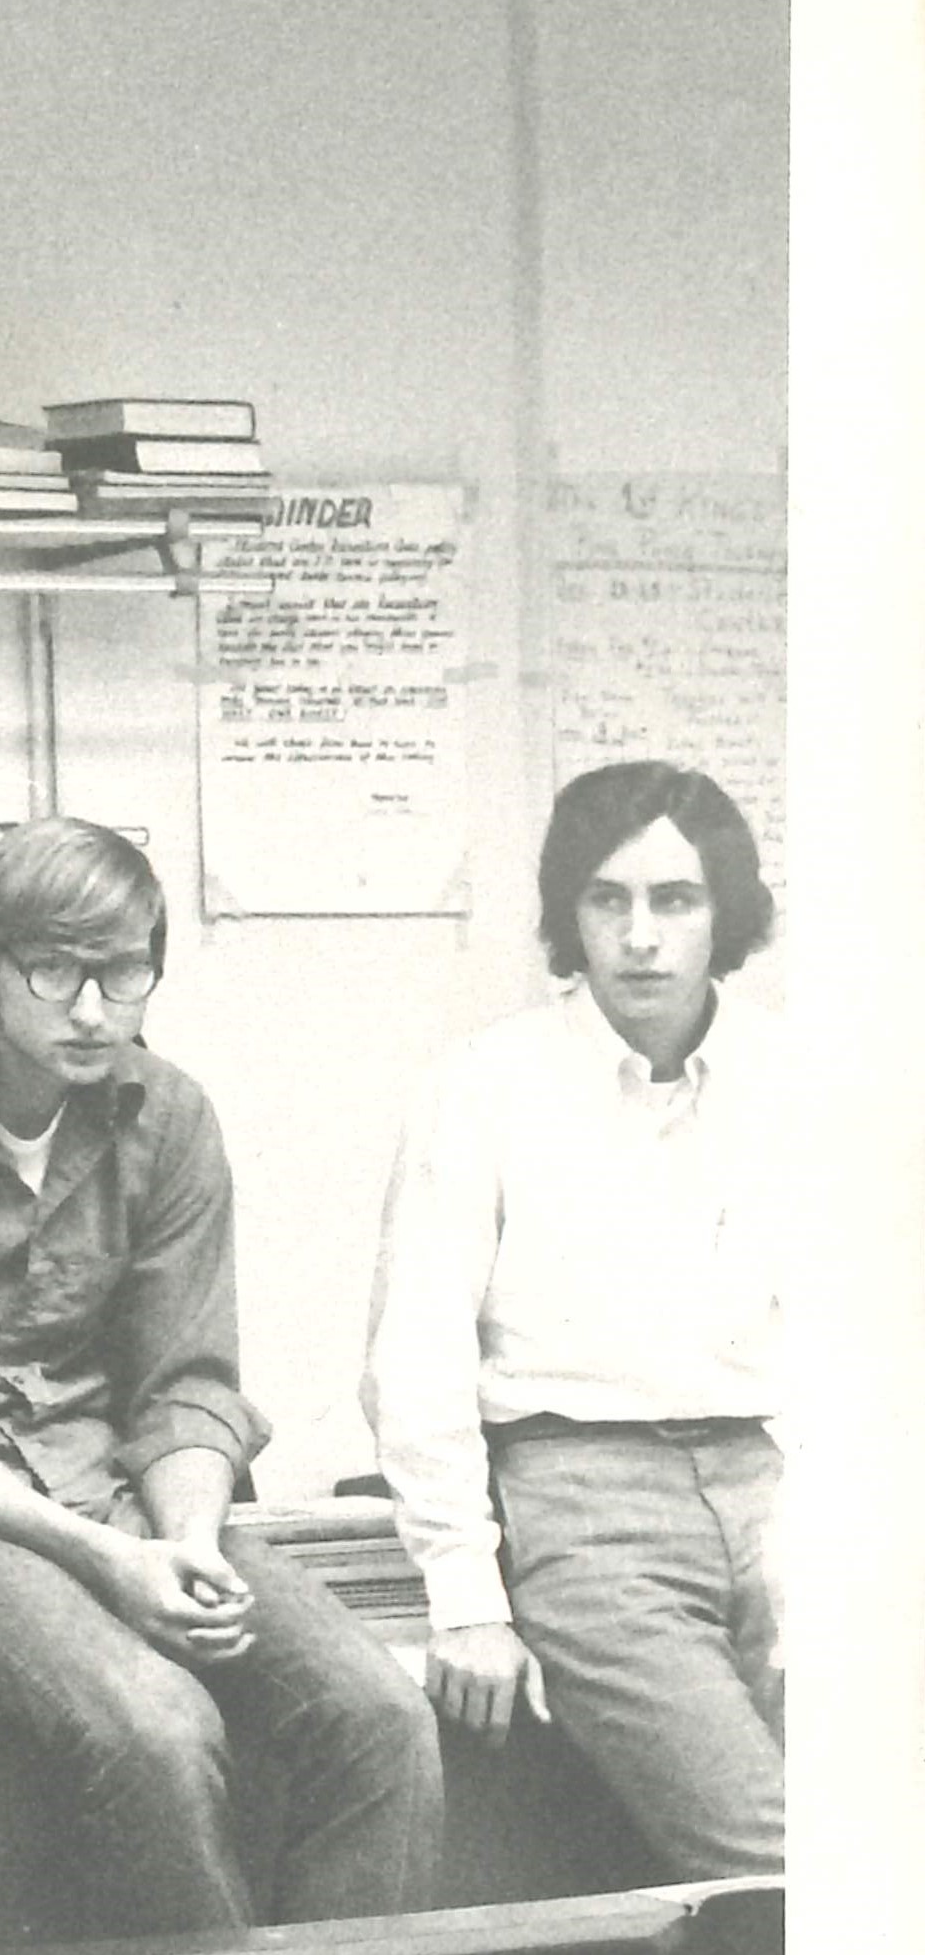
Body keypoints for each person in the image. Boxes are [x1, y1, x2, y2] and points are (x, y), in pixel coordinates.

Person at [0, 816, 441, 1938]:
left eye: (121, 972)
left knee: (379, 1713)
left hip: (122, 1501)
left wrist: (178, 1542)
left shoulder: (167, 1114)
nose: (90, 1008)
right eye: (54, 969)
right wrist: (104, 1556)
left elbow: (186, 1381)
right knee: (157, 1726)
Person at [363, 762, 784, 1876]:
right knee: (772, 1851)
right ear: (570, 914)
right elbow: (416, 1359)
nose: (640, 936)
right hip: (581, 1499)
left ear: (722, 913)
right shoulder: (484, 1086)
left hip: (775, 1481)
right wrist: (465, 1598)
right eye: (608, 900)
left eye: (674, 900)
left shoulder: (793, 1077)